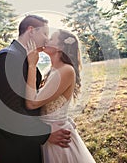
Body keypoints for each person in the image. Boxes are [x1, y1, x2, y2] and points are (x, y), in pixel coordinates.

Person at [0, 15, 71, 163]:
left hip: (27, 143)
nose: (47, 39)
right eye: (44, 33)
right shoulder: (8, 58)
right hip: (14, 147)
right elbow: (10, 111)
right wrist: (45, 134)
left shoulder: (26, 57)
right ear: (31, 31)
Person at [26, 29, 96, 163]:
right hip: (52, 134)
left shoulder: (66, 70)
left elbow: (32, 103)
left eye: (51, 38)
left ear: (60, 48)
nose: (47, 40)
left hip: (59, 140)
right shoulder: (52, 70)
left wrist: (31, 65)